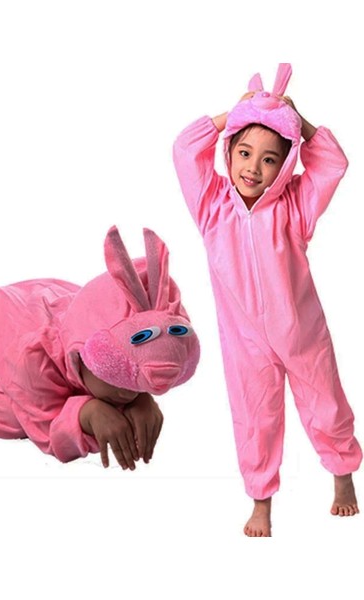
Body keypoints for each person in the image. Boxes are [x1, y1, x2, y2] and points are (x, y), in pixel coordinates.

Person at [173, 63, 362, 536]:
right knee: (254, 418)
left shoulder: (295, 207)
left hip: (302, 335)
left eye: (269, 159)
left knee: (327, 406)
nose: (253, 168)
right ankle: (261, 503)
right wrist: (233, 114)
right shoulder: (211, 206)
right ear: (228, 152)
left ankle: (343, 475)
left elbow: (333, 163)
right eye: (244, 153)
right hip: (246, 345)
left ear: (286, 164)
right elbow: (184, 148)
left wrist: (297, 121)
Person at [0, 226, 200, 470]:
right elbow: (44, 430)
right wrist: (86, 414)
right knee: (10, 417)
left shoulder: (103, 355)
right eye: (120, 382)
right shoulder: (31, 361)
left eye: (136, 387)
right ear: (82, 357)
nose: (129, 393)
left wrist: (143, 398)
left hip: (47, 300)